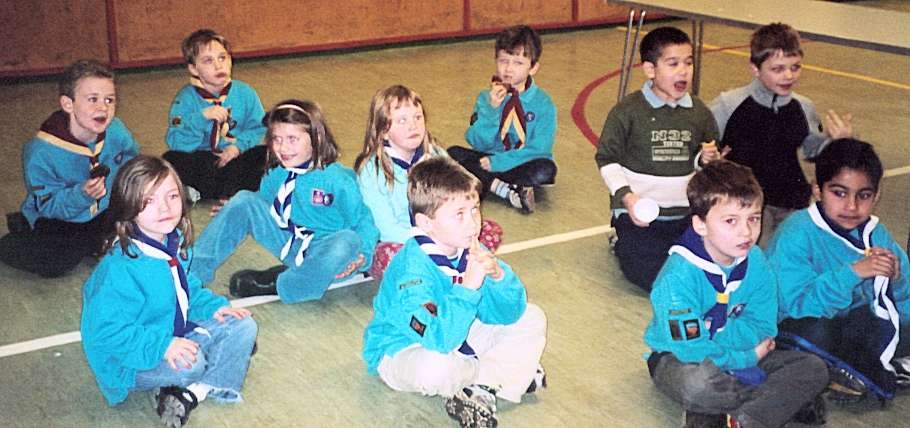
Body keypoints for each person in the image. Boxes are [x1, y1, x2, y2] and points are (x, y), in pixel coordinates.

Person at [362, 156, 547, 428]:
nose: (473, 223)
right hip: (403, 349)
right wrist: (469, 287)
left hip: (457, 332)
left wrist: (499, 277)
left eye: (475, 209)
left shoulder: (468, 248)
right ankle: (504, 374)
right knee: (436, 367)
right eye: (459, 214)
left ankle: (484, 385)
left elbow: (508, 313)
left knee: (531, 317)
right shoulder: (410, 274)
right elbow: (440, 340)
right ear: (426, 223)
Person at [644, 160, 828, 427]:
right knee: (697, 385)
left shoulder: (756, 262)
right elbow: (691, 348)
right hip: (681, 359)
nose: (746, 232)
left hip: (742, 352)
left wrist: (725, 340)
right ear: (700, 225)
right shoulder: (676, 280)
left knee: (813, 368)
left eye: (754, 218)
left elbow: (764, 327)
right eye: (731, 221)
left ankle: (736, 418)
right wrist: (748, 358)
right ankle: (772, 405)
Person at [81, 155, 257, 428]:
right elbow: (105, 332)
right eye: (149, 201)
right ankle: (200, 371)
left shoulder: (172, 242)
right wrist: (163, 346)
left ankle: (192, 393)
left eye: (172, 196)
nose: (164, 208)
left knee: (243, 325)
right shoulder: (121, 267)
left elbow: (186, 289)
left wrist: (214, 307)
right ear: (128, 206)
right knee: (193, 363)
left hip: (170, 330)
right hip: (127, 361)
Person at [192, 99, 379, 303]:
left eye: (292, 139)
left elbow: (363, 220)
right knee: (244, 199)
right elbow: (263, 204)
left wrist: (363, 255)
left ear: (316, 138)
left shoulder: (338, 180)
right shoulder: (276, 173)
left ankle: (287, 285)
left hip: (327, 256)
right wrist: (235, 207)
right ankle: (192, 273)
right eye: (277, 139)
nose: (283, 147)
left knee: (347, 240)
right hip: (291, 243)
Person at [768, 138, 910, 400]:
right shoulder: (796, 232)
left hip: (855, 325)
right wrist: (853, 273)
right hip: (801, 325)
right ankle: (856, 370)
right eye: (839, 193)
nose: (852, 206)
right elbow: (795, 307)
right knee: (816, 333)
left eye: (863, 195)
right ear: (817, 190)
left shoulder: (876, 233)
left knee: (884, 323)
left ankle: (854, 371)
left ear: (876, 195)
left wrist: (897, 281)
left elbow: (903, 307)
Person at [595, 26, 720, 292]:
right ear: (650, 70)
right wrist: (628, 199)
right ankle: (621, 240)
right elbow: (607, 159)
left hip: (684, 216)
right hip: (638, 216)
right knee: (652, 277)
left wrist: (705, 159)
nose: (683, 71)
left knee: (710, 269)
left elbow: (702, 158)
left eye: (688, 63)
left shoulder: (699, 112)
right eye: (673, 64)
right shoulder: (627, 111)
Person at [710, 23, 853, 246]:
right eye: (777, 69)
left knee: (791, 255)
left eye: (795, 67)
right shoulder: (728, 105)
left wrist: (836, 142)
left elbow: (812, 151)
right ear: (755, 69)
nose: (788, 76)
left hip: (792, 202)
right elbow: (704, 146)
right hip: (746, 204)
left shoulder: (803, 107)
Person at [0, 59, 139, 277]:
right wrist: (82, 195)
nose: (103, 107)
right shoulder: (41, 151)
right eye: (92, 99)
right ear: (68, 104)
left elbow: (132, 162)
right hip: (60, 217)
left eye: (109, 100)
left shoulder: (116, 130)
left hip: (105, 209)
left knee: (152, 222)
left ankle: (97, 241)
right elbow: (50, 206)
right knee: (57, 261)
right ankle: (17, 234)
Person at [354, 84, 503, 281]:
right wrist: (430, 243)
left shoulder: (436, 155)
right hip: (402, 241)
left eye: (418, 117)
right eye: (402, 120)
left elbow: (461, 199)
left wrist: (452, 234)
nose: (413, 126)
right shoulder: (372, 171)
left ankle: (449, 269)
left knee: (489, 230)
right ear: (383, 131)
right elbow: (386, 227)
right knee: (388, 254)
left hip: (442, 234)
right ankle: (443, 272)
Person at [449, 24, 557, 214]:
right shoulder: (486, 98)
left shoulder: (543, 103)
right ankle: (505, 189)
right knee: (451, 154)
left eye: (518, 63)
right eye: (503, 61)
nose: (508, 69)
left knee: (546, 169)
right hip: (488, 159)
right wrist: (491, 110)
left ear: (533, 67)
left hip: (521, 162)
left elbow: (540, 148)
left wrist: (499, 162)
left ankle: (486, 182)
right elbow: (477, 142)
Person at [163, 29, 268, 201]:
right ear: (193, 69)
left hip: (236, 157)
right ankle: (229, 191)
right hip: (204, 160)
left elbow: (258, 128)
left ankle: (219, 191)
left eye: (222, 58)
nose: (218, 66)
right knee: (171, 159)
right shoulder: (185, 99)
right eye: (208, 61)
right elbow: (177, 142)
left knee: (266, 154)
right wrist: (201, 118)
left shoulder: (245, 92)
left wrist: (237, 147)